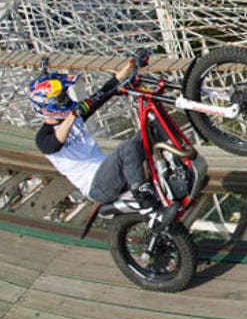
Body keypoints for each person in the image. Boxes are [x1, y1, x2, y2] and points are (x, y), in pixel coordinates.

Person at [28, 59, 160, 210]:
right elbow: (54, 144)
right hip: (96, 186)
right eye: (62, 99)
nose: (67, 100)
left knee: (150, 129)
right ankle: (143, 197)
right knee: (127, 148)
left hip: (111, 172)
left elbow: (102, 94)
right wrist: (72, 115)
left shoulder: (75, 117)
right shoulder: (43, 137)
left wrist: (129, 68)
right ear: (49, 106)